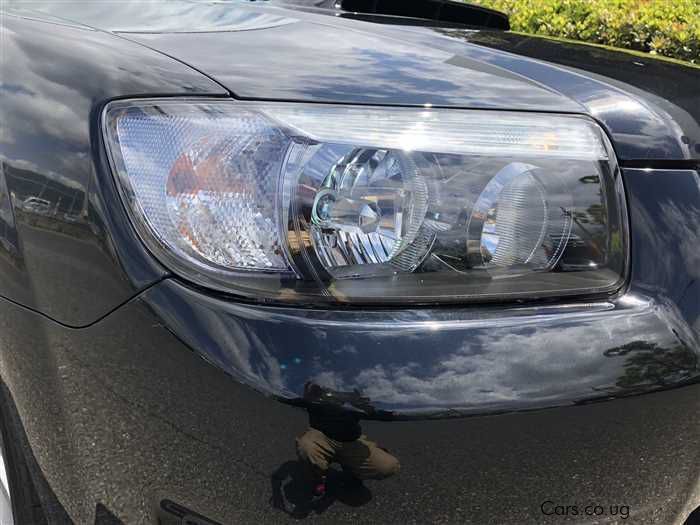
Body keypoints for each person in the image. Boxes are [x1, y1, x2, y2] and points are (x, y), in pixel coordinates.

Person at [295, 382, 400, 499]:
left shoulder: (347, 400)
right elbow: (296, 399)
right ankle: (317, 476)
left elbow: (371, 412)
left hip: (351, 441)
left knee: (388, 466)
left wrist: (387, 414)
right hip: (321, 436)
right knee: (306, 447)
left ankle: (353, 470)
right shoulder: (313, 401)